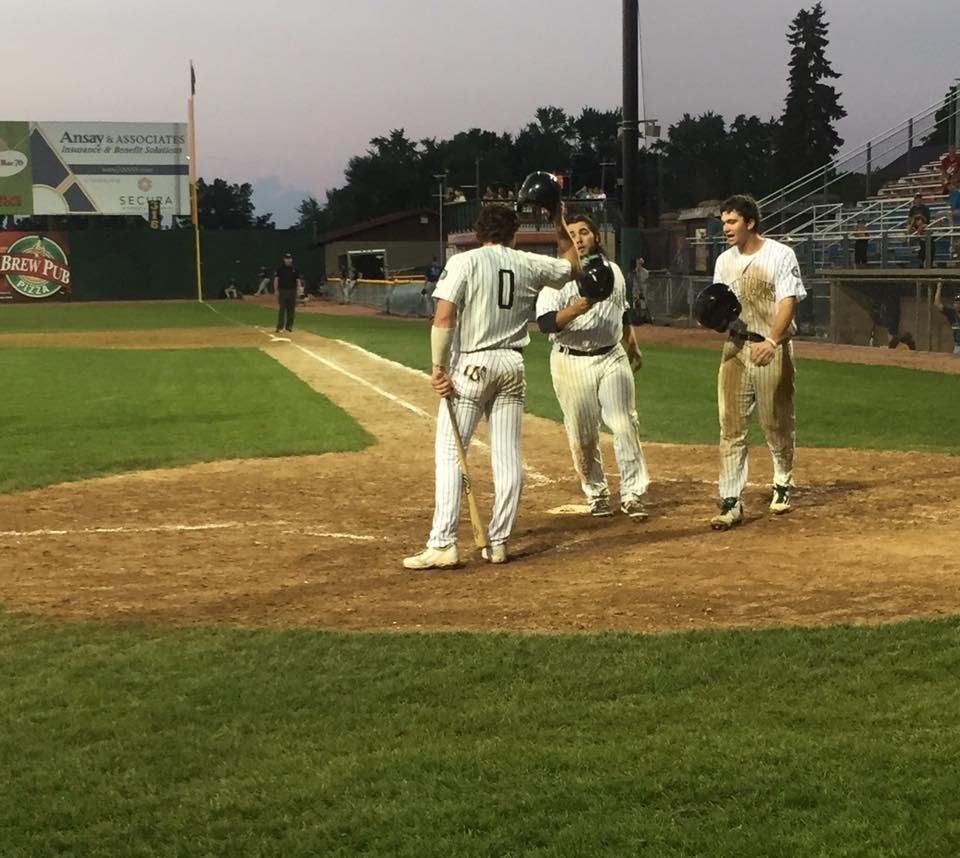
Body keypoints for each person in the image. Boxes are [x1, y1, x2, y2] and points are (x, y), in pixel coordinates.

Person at [402, 202, 580, 570]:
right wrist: (558, 219)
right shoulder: (528, 261)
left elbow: (444, 315)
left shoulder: (464, 262)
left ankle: (443, 543)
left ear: (479, 232)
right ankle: (498, 542)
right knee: (507, 455)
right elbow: (572, 264)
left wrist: (437, 366)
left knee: (451, 452)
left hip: (473, 364)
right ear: (513, 233)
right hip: (512, 363)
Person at [535, 214, 650, 519]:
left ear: (596, 237)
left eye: (584, 232)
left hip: (612, 356)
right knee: (584, 434)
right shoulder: (557, 277)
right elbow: (546, 322)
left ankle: (633, 493)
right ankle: (596, 493)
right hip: (571, 361)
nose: (579, 239)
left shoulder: (613, 271)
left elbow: (622, 311)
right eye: (572, 234)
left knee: (625, 424)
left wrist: (632, 343)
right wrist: (582, 304)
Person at [708, 194, 807, 530]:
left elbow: (787, 302)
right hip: (736, 348)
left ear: (750, 222)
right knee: (730, 426)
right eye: (724, 222)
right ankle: (731, 499)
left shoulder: (780, 254)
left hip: (771, 346)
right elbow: (720, 305)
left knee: (776, 421)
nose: (726, 228)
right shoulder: (723, 261)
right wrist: (712, 319)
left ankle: (782, 481)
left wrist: (772, 340)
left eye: (732, 222)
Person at [272, 252, 303, 333]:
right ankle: (280, 327)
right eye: (286, 259)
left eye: (289, 259)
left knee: (291, 310)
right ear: (284, 259)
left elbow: (298, 280)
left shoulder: (295, 269)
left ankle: (289, 326)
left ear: (291, 259)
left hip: (292, 291)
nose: (288, 260)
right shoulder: (280, 269)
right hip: (282, 291)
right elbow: (276, 280)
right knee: (282, 309)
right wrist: (276, 290)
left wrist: (299, 290)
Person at [933, 282, 960, 355]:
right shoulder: (952, 313)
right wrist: (939, 288)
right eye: (956, 302)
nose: (957, 304)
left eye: (959, 302)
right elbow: (937, 303)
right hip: (958, 346)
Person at [906, 194, 932, 266]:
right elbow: (909, 219)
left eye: (919, 198)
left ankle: (916, 239)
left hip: (923, 225)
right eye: (917, 198)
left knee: (922, 225)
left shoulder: (925, 208)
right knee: (909, 227)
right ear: (915, 200)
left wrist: (919, 218)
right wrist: (912, 223)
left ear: (921, 199)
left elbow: (926, 220)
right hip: (914, 225)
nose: (918, 200)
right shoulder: (912, 208)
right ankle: (909, 241)